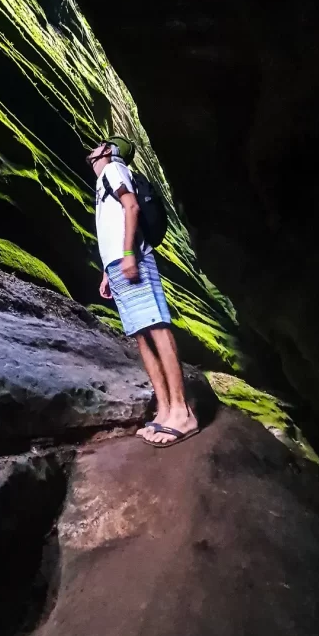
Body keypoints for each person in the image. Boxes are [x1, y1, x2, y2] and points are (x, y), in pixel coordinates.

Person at [87, 139, 199, 447]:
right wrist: (108, 271)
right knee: (141, 334)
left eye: (96, 147)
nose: (91, 153)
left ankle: (183, 412)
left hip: (133, 257)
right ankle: (165, 410)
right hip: (118, 264)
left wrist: (127, 253)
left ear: (109, 150)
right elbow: (112, 224)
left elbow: (132, 207)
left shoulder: (113, 169)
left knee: (157, 329)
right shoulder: (103, 180)